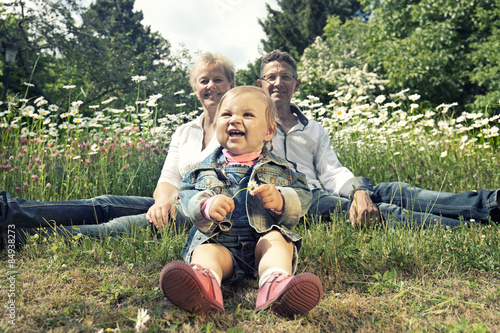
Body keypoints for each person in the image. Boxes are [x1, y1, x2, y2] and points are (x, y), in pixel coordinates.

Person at [0, 52, 235, 247]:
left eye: (218, 80)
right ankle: (7, 210)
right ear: (195, 87)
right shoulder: (184, 131)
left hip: (202, 215)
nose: (210, 86)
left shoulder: (238, 130)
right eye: (204, 80)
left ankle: (12, 238)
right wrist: (162, 202)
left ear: (231, 85)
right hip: (175, 204)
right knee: (104, 204)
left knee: (112, 228)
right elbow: (168, 179)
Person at [257, 50, 500, 228]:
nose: (279, 83)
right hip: (295, 202)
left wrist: (358, 191)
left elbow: (332, 172)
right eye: (271, 77)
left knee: (397, 190)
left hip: (321, 192)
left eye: (286, 77)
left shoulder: (314, 129)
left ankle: (490, 204)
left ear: (296, 84)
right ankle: (470, 230)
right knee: (383, 212)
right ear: (260, 84)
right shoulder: (252, 127)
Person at [159, 86, 322, 316]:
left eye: (247, 115)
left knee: (277, 239)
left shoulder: (281, 169)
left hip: (261, 246)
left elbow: (304, 194)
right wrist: (205, 206)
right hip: (221, 245)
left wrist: (282, 199)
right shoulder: (203, 169)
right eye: (227, 115)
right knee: (206, 251)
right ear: (217, 126)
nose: (235, 120)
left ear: (268, 131)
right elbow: (186, 194)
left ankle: (275, 284)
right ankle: (204, 283)